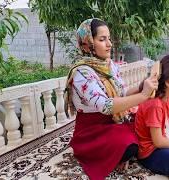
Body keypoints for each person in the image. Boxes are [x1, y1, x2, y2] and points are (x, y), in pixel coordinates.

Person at [65, 18, 158, 179]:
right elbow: (106, 106)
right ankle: (118, 152)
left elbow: (121, 95)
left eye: (109, 39)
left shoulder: (109, 65)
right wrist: (143, 96)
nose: (109, 44)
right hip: (92, 131)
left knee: (147, 122)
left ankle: (120, 152)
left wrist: (142, 86)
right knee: (129, 145)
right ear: (88, 42)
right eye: (102, 39)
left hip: (115, 121)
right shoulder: (82, 73)